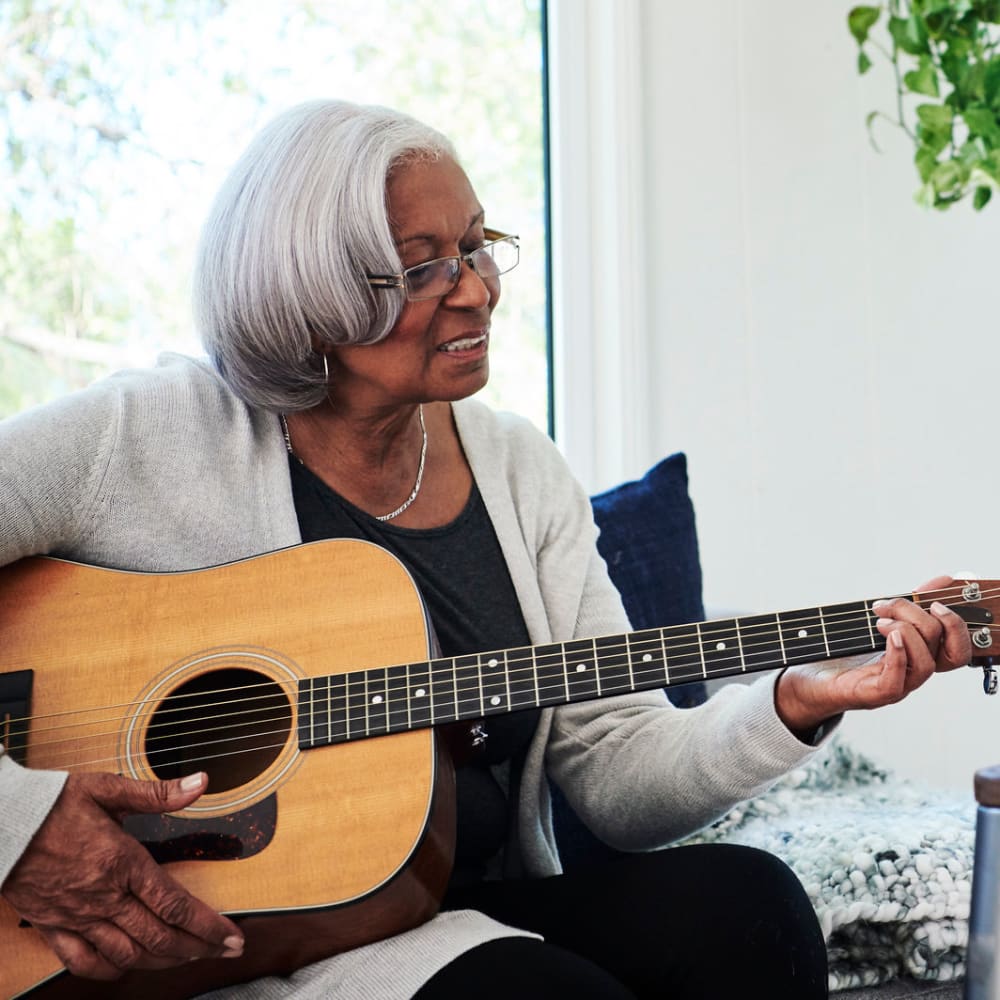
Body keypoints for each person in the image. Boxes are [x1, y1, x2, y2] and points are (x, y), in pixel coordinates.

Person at [0, 99, 972, 1000]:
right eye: (421, 266)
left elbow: (616, 773)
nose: (476, 291)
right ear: (306, 295)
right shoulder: (143, 434)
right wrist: (22, 824)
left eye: (476, 246)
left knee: (748, 910)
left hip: (433, 910)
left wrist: (795, 699)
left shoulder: (518, 469)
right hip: (220, 948)